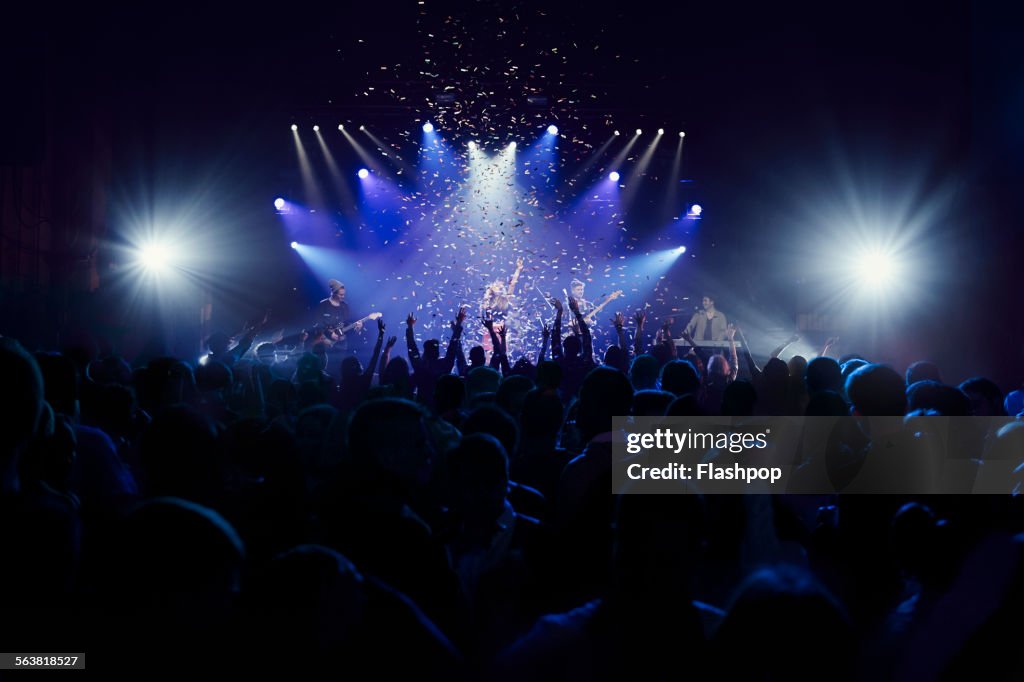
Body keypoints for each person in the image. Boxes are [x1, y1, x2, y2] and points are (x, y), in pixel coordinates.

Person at [313, 279, 362, 351]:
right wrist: (328, 335)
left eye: (344, 294)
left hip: (341, 344)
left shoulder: (345, 306)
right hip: (325, 343)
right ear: (333, 293)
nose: (343, 296)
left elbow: (346, 323)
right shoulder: (323, 305)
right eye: (341, 295)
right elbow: (317, 324)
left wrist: (356, 328)